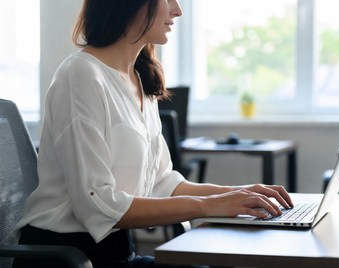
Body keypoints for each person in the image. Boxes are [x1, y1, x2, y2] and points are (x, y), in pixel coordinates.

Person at [14, 0, 293, 267]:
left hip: (116, 255)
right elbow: (97, 203)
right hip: (67, 257)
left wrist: (238, 194)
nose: (178, 10)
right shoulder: (80, 75)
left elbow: (163, 183)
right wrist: (209, 205)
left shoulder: (139, 79)